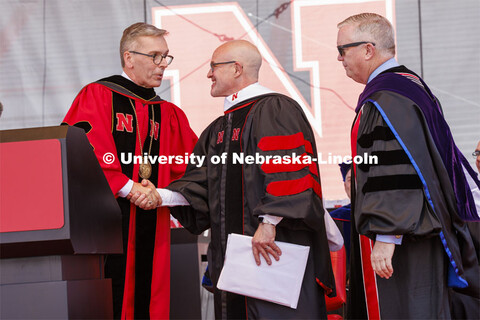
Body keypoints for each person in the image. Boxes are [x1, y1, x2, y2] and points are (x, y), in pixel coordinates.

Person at [133, 39, 335, 319]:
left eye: (214, 67)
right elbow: (201, 185)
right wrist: (160, 196)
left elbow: (288, 170)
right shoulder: (219, 128)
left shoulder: (275, 108)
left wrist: (269, 222)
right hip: (237, 264)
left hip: (273, 250)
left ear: (237, 68)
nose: (209, 74)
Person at [336, 13, 480, 319]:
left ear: (368, 49)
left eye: (343, 50)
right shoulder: (408, 86)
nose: (340, 59)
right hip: (418, 227)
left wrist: (387, 236)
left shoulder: (386, 97)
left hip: (406, 238)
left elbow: (397, 170)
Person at [62, 22, 197, 319]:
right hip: (105, 222)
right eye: (155, 56)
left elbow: (195, 168)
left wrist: (160, 195)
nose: (163, 65)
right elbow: (82, 152)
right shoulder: (97, 96)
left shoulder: (169, 113)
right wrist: (128, 187)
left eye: (166, 57)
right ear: (129, 58)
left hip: (153, 222)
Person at [329, 163, 352, 258]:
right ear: (344, 186)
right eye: (350, 180)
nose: (356, 184)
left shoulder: (385, 217)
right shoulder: (332, 220)